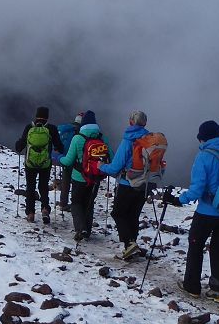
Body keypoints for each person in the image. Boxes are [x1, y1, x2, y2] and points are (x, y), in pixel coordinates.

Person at [165, 120, 219, 303]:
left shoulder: (204, 156)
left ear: (202, 137)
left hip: (208, 211)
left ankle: (192, 286)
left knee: (196, 245)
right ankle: (218, 289)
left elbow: (197, 190)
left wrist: (178, 200)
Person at [99, 110, 155, 259]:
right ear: (145, 123)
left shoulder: (129, 140)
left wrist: (101, 166)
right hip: (145, 184)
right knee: (133, 215)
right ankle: (132, 245)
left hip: (127, 183)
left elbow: (115, 167)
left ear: (131, 122)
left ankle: (129, 244)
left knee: (118, 213)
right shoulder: (150, 141)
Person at [59, 110, 111, 242]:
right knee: (89, 203)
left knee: (76, 203)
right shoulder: (102, 138)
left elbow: (69, 161)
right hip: (95, 177)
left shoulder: (77, 138)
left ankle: (80, 228)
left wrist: (59, 158)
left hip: (79, 177)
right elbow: (111, 156)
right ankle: (87, 230)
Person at [14, 106, 65, 224]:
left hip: (30, 164)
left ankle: (30, 213)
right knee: (43, 187)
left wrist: (19, 143)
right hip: (45, 164)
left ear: (36, 116)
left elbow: (19, 147)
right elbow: (60, 147)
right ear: (47, 117)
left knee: (30, 187)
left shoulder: (29, 127)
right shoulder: (51, 129)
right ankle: (45, 209)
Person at [55, 113, 81, 212]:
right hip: (77, 161)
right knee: (75, 182)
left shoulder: (68, 129)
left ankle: (63, 203)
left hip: (65, 158)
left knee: (65, 181)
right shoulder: (81, 131)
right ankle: (76, 203)